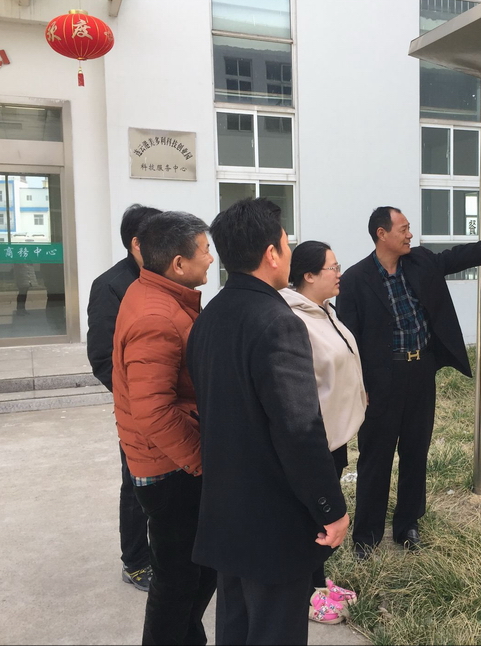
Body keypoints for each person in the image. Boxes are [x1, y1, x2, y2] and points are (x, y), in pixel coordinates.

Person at [336, 206, 481, 559]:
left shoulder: (421, 262)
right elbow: (348, 340)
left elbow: (462, 256)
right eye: (403, 229)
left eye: (409, 228)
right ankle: (367, 536)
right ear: (381, 234)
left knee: (415, 451)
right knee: (375, 457)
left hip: (420, 372)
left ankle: (407, 525)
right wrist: (359, 386)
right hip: (381, 381)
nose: (410, 234)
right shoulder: (356, 279)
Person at [188, 199, 349, 645]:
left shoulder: (210, 316)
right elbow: (299, 430)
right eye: (286, 242)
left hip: (226, 511)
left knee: (236, 628)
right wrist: (331, 508)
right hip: (272, 520)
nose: (290, 251)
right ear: (271, 254)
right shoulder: (279, 322)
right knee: (275, 629)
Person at [112, 211, 217, 645]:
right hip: (169, 469)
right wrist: (201, 461)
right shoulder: (156, 317)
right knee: (178, 580)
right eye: (205, 250)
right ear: (178, 263)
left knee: (195, 573)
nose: (211, 258)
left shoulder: (159, 296)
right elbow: (153, 411)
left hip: (170, 461)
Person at [279, 241, 366, 624]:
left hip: (335, 434)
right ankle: (307, 594)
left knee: (321, 517)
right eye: (333, 267)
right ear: (309, 275)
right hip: (315, 438)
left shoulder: (325, 310)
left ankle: (317, 580)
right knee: (312, 518)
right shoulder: (294, 318)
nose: (339, 273)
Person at [86, 203, 161, 592]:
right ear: (137, 243)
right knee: (135, 485)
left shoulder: (161, 277)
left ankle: (163, 553)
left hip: (168, 405)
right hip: (137, 409)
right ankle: (135, 562)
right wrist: (138, 400)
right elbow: (102, 358)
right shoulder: (111, 286)